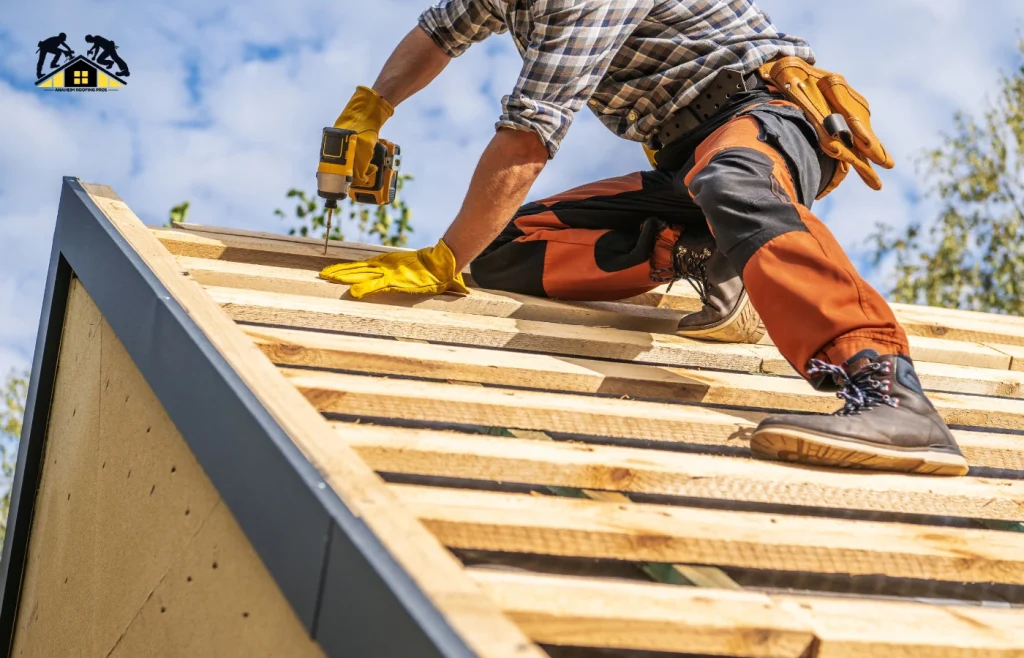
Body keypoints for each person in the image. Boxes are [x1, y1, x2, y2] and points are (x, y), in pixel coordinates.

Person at [317, 0, 969, 477]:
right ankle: (705, 252)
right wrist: (373, 105)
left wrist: (441, 259)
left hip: (763, 117)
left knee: (733, 180)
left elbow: (528, 136)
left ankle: (888, 388)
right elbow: (439, 32)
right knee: (504, 247)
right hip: (685, 164)